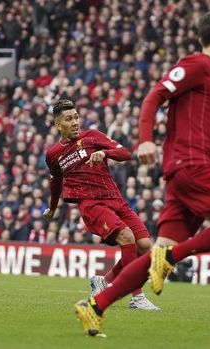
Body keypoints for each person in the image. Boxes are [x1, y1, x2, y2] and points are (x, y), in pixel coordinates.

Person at [73, 10, 210, 337]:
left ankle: (95, 306)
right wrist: (145, 139)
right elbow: (154, 96)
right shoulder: (197, 65)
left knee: (154, 255)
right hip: (193, 168)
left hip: (185, 176)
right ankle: (172, 255)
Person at [44, 99, 159, 311]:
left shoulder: (93, 137)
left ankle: (103, 282)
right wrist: (52, 207)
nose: (75, 122)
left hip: (115, 199)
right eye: (69, 119)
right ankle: (137, 296)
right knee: (127, 237)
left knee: (144, 246)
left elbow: (124, 153)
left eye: (76, 117)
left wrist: (105, 153)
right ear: (58, 125)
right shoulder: (53, 154)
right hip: (91, 204)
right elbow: (56, 182)